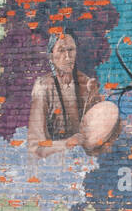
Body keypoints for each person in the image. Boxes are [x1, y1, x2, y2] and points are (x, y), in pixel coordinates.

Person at [27, 30, 106, 159]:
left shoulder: (85, 83)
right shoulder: (43, 87)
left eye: (71, 50)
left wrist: (95, 98)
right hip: (54, 164)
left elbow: (96, 136)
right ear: (51, 57)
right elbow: (35, 148)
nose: (68, 57)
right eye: (61, 51)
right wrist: (67, 144)